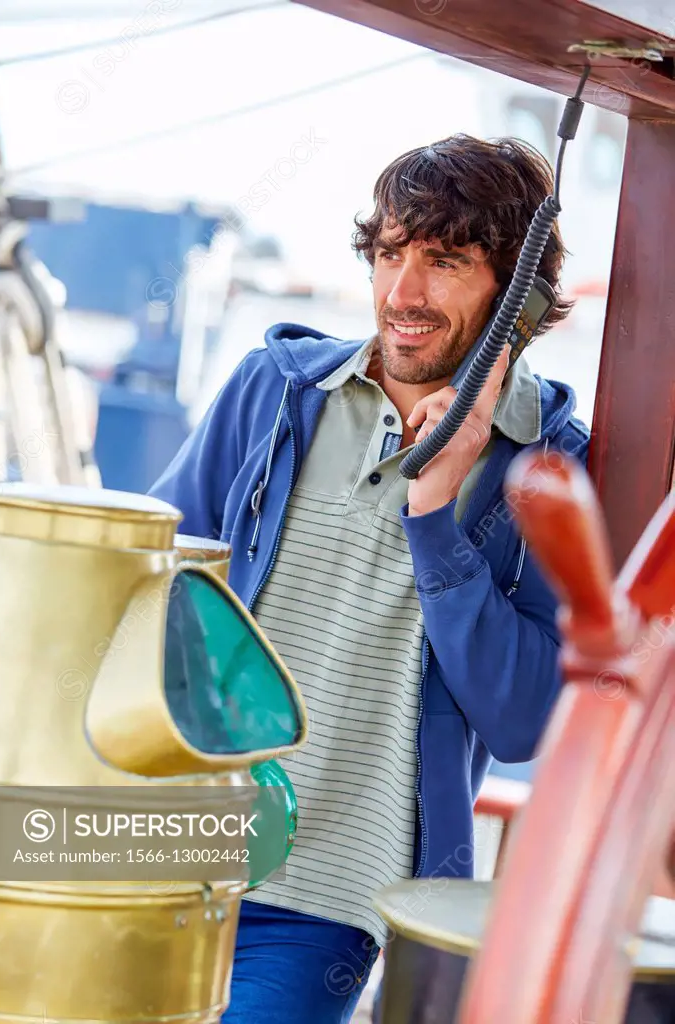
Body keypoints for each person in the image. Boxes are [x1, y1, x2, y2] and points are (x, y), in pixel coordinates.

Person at [149, 134, 590, 1024]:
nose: (403, 293)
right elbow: (146, 588)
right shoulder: (274, 392)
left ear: (522, 298)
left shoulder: (551, 469)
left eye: (445, 261)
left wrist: (434, 515)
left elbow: (522, 721)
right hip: (155, 847)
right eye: (390, 253)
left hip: (327, 898)